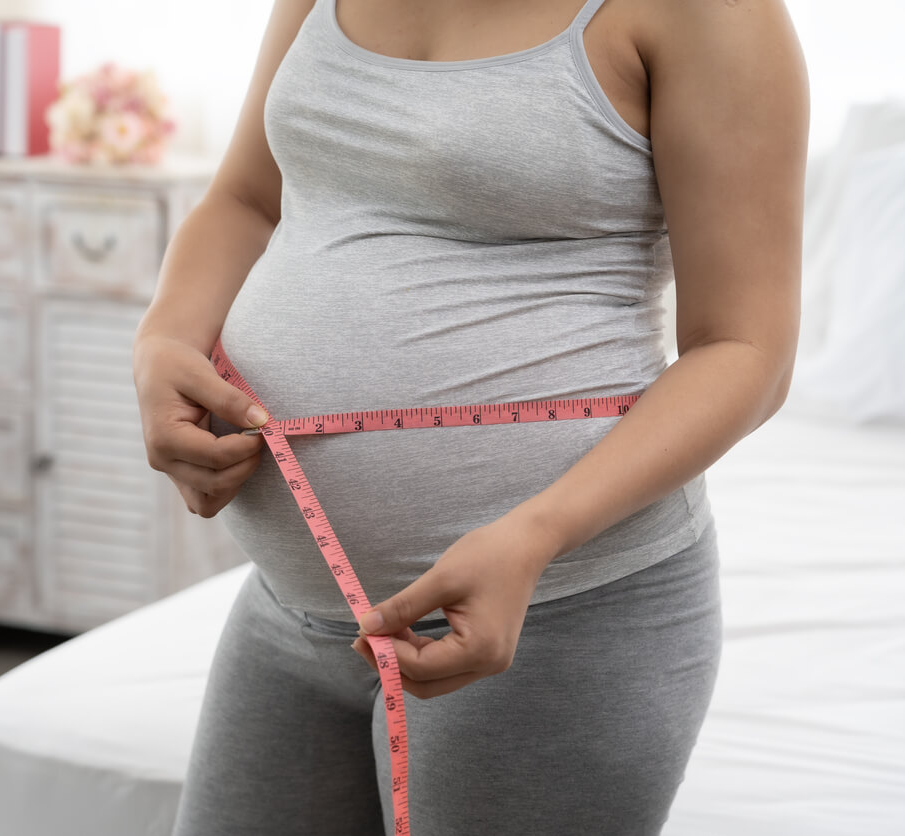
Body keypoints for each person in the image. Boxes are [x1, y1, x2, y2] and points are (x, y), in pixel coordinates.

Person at [132, 0, 808, 832]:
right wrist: (163, 340)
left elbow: (747, 349)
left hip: (558, 618)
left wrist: (535, 534)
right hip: (291, 609)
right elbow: (246, 199)